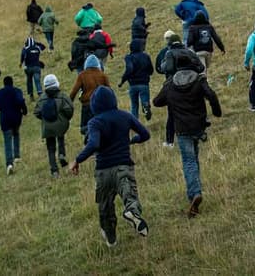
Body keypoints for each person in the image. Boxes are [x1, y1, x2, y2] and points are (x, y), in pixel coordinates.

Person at [71, 86, 151, 247]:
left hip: (103, 170)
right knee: (130, 195)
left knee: (105, 205)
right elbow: (145, 134)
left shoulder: (95, 122)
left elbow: (94, 143)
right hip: (123, 166)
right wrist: (132, 140)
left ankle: (111, 237)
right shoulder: (125, 116)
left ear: (95, 105)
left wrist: (78, 160)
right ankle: (132, 211)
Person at [153, 60, 222, 218]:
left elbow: (157, 102)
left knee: (189, 160)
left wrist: (170, 96)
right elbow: (211, 94)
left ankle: (194, 193)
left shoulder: (171, 84)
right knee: (194, 157)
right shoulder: (199, 80)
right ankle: (194, 190)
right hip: (198, 125)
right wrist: (217, 111)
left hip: (182, 128)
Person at [34, 74, 75, 178]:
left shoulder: (42, 99)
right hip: (60, 123)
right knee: (60, 137)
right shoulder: (62, 96)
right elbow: (69, 109)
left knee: (50, 148)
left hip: (47, 127)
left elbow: (37, 112)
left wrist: (44, 119)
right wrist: (65, 118)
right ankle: (62, 154)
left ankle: (54, 171)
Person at [70, 55, 111, 143]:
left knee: (86, 125)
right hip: (100, 105)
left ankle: (89, 138)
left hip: (87, 105)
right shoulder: (102, 75)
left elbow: (74, 91)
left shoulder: (82, 75)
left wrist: (70, 102)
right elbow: (109, 90)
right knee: (99, 124)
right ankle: (99, 140)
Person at [0, 76, 27, 175]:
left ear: (4, 83)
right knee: (16, 134)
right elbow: (21, 101)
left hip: (5, 119)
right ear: (12, 83)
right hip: (16, 118)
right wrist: (24, 111)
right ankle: (17, 156)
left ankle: (9, 163)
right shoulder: (17, 91)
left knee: (7, 140)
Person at [119, 39, 154, 121]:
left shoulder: (129, 57)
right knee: (145, 99)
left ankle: (135, 122)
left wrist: (122, 81)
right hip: (144, 83)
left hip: (133, 84)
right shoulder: (146, 56)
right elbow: (151, 70)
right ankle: (146, 106)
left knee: (134, 105)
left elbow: (129, 70)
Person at [186, 10, 225, 75]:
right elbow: (216, 38)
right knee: (205, 68)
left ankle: (202, 83)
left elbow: (189, 41)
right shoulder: (209, 27)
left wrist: (189, 46)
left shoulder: (192, 28)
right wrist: (222, 48)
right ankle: (204, 82)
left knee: (202, 70)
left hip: (198, 51)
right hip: (208, 51)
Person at [20, 36, 46, 102]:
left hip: (28, 68)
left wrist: (21, 63)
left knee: (29, 81)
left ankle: (31, 95)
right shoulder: (37, 48)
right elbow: (43, 46)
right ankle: (40, 94)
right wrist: (36, 43)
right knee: (37, 81)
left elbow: (22, 56)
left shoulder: (25, 49)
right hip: (37, 67)